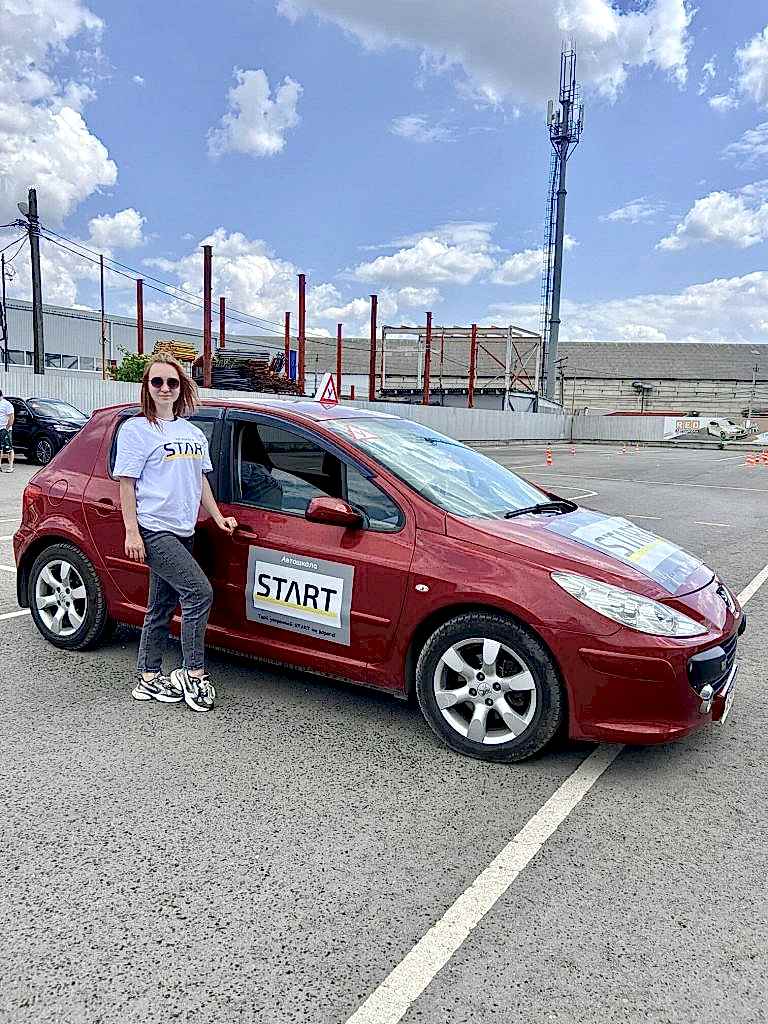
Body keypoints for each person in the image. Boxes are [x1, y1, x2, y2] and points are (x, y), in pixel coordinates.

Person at [114, 355, 237, 712]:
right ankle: (193, 673)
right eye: (157, 382)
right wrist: (132, 532)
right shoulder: (137, 429)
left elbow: (200, 480)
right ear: (147, 387)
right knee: (199, 593)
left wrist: (217, 516)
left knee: (160, 607)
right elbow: (126, 484)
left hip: (185, 530)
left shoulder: (193, 433)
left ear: (181, 387)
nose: (165, 388)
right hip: (155, 529)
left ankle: (148, 678)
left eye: (172, 382)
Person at [0, 389, 14, 473]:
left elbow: (11, 418)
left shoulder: (7, 404)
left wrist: (7, 428)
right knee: (0, 448)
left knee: (8, 448)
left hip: (5, 429)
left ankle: (10, 466)